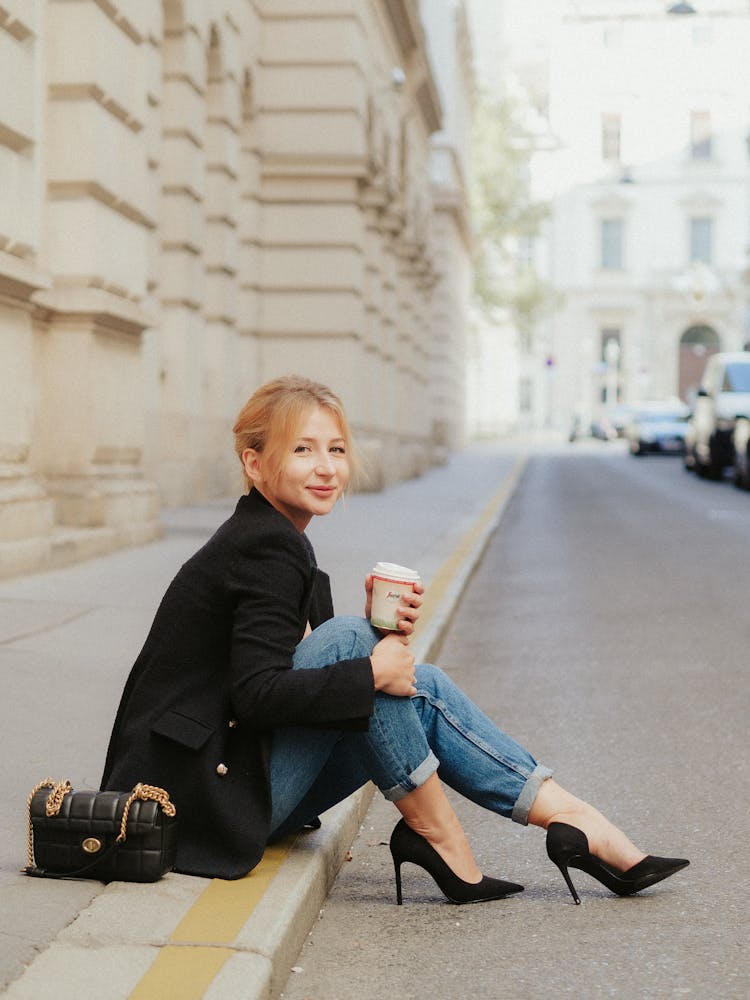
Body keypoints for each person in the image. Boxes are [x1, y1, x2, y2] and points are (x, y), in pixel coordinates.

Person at [101, 375, 688, 905]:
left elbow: (318, 682)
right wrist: (368, 656)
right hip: (201, 803)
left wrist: (379, 643)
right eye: (302, 450)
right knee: (370, 654)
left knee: (407, 679)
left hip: (222, 783)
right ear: (255, 465)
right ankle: (467, 833)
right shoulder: (266, 548)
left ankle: (553, 821)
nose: (326, 466)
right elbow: (260, 694)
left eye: (335, 449)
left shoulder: (270, 537)